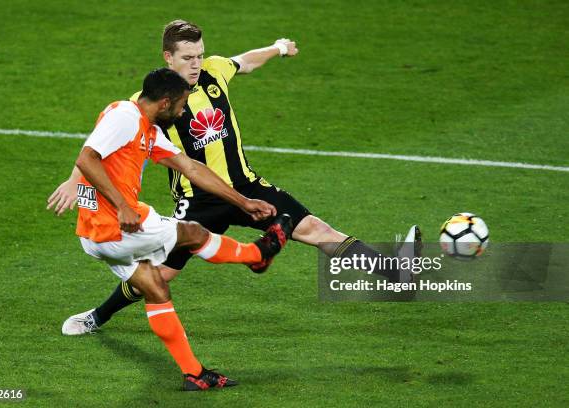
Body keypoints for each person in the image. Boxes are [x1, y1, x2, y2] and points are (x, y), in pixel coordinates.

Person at [49, 20, 420, 339]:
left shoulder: (213, 71)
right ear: (168, 58)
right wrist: (72, 179)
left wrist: (277, 48)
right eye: (186, 58)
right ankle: (97, 316)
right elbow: (102, 145)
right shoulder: (150, 101)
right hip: (197, 201)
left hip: (245, 186)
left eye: (198, 56)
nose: (195, 65)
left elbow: (245, 62)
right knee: (158, 275)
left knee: (315, 229)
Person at [61, 67, 292, 391]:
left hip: (95, 234)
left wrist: (242, 201)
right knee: (194, 233)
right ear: (166, 102)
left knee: (155, 286)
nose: (183, 112)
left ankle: (194, 374)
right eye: (181, 105)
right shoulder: (125, 116)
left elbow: (190, 167)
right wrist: (123, 205)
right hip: (117, 225)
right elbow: (87, 158)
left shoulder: (146, 129)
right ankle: (258, 254)